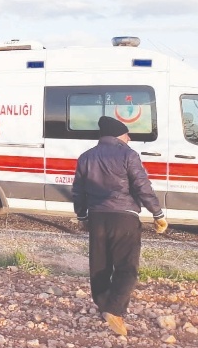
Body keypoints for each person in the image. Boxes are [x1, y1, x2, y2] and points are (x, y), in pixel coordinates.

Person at [72, 115, 169, 336]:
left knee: (100, 266)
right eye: (127, 133)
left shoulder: (86, 157)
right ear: (118, 135)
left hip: (97, 218)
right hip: (124, 218)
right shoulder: (128, 154)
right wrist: (157, 213)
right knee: (127, 267)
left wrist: (82, 217)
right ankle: (114, 311)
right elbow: (142, 186)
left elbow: (78, 190)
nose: (129, 137)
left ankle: (105, 307)